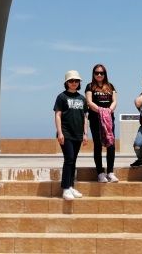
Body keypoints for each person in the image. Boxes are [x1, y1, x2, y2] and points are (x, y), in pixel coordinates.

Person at [53, 69, 88, 200]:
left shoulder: (82, 98)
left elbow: (85, 117)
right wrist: (60, 132)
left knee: (73, 161)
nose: (74, 83)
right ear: (67, 83)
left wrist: (85, 134)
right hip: (65, 133)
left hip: (78, 134)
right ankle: (65, 188)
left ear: (79, 83)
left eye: (76, 81)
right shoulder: (62, 97)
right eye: (71, 81)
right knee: (69, 159)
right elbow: (57, 115)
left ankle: (71, 186)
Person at [85, 63, 118, 182]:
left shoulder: (110, 86)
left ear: (105, 74)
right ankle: (100, 172)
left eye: (101, 73)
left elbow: (114, 101)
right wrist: (100, 110)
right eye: (97, 73)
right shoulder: (90, 86)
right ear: (93, 74)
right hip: (95, 119)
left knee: (111, 145)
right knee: (98, 145)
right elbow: (89, 102)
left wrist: (109, 111)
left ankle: (110, 172)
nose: (99, 75)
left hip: (108, 119)